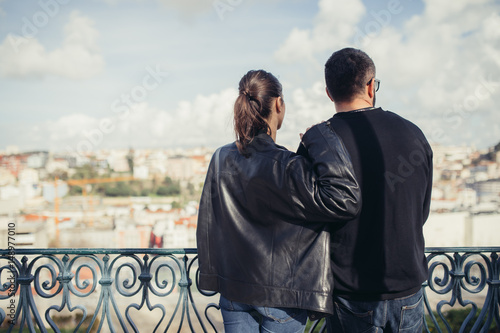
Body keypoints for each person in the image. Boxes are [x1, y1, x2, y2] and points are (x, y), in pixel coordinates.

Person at [196, 69, 361, 333]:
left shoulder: (220, 158)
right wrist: (320, 137)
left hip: (233, 290)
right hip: (281, 297)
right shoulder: (288, 165)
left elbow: (208, 220)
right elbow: (345, 200)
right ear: (278, 104)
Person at [312, 48, 432, 333]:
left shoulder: (319, 142)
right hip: (408, 285)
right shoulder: (414, 133)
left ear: (329, 92)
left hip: (350, 291)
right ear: (370, 86)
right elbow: (422, 209)